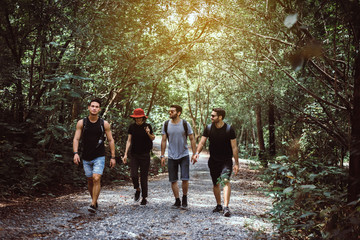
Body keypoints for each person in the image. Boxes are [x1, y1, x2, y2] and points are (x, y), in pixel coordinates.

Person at [192, 108, 239, 217]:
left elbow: (234, 147)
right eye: (211, 115)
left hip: (226, 160)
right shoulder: (208, 128)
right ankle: (219, 205)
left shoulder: (229, 129)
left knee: (225, 181)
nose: (211, 117)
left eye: (213, 116)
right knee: (215, 183)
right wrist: (197, 153)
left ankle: (226, 207)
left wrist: (236, 163)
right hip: (213, 160)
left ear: (220, 117)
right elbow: (202, 142)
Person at [73, 99, 116, 213]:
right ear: (88, 107)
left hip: (99, 156)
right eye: (92, 106)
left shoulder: (104, 124)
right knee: (90, 180)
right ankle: (94, 200)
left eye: (97, 107)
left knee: (96, 178)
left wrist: (113, 157)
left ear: (99, 109)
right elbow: (76, 138)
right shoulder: (82, 123)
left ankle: (92, 204)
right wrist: (75, 153)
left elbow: (111, 140)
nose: (94, 108)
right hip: (86, 156)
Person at [160, 105, 197, 208]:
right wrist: (162, 155)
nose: (170, 113)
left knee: (185, 178)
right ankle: (177, 200)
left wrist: (194, 154)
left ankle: (184, 197)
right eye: (169, 111)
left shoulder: (185, 124)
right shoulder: (166, 124)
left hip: (184, 154)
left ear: (178, 113)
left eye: (172, 111)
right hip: (171, 155)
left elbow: (192, 139)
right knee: (173, 179)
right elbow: (163, 140)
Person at [122, 108, 155, 206]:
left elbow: (153, 138)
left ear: (143, 118)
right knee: (133, 175)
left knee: (144, 177)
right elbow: (129, 140)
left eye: (140, 118)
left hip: (145, 154)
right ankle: (137, 189)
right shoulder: (132, 127)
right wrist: (125, 154)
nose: (138, 120)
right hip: (134, 154)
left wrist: (148, 133)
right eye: (136, 118)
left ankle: (144, 197)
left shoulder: (147, 126)